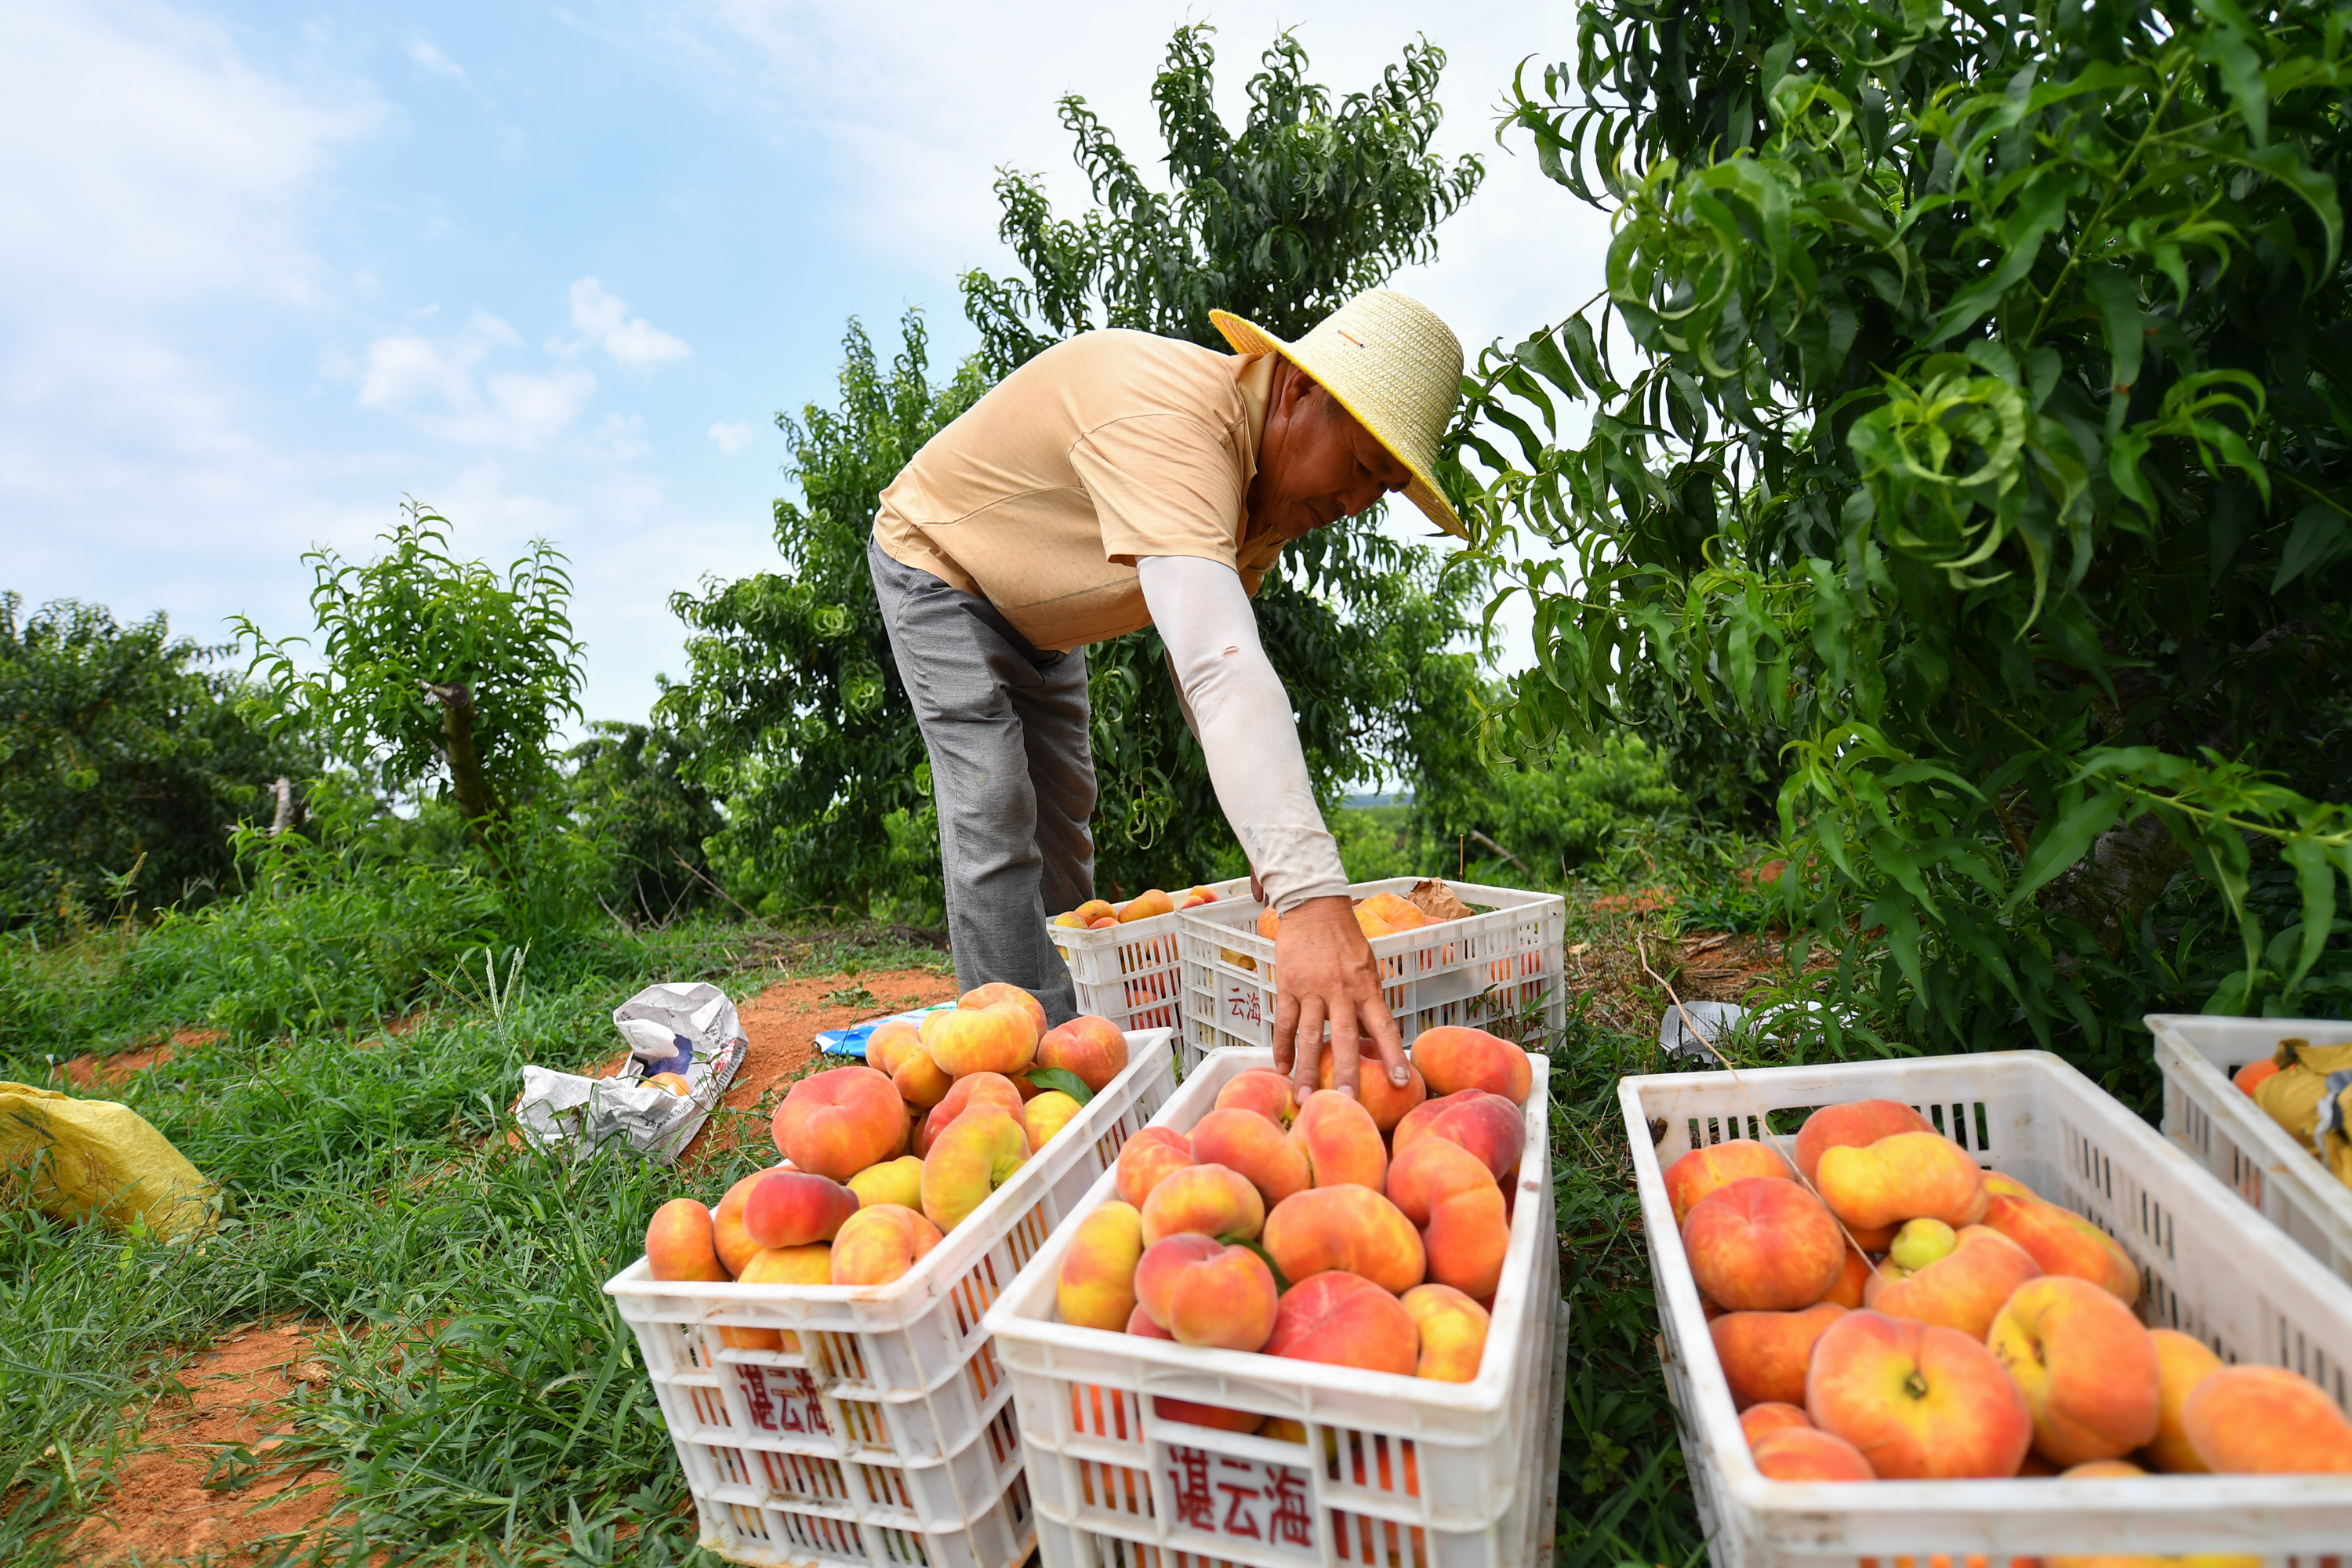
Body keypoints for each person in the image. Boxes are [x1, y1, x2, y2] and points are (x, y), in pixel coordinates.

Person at [868, 288, 1465, 1098]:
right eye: (1359, 466)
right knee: (995, 801)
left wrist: (1271, 844)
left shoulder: (1263, 504)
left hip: (1043, 615)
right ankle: (1012, 1075)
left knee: (1065, 814)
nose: (1356, 503)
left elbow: (1204, 661)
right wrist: (1309, 892)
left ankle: (1072, 1035)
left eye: (1383, 488)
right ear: (1297, 392)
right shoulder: (1176, 424)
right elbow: (1222, 669)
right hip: (939, 561)